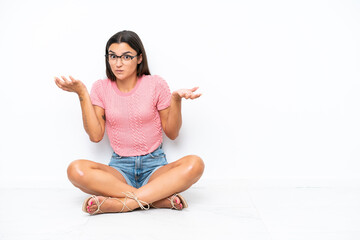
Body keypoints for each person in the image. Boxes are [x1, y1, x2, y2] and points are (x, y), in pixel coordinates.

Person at [54, 30, 205, 215]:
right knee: (76, 170)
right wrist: (82, 93)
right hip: (119, 170)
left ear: (139, 58)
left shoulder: (156, 84)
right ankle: (156, 200)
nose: (118, 63)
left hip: (155, 167)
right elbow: (95, 136)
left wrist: (176, 100)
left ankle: (121, 204)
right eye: (113, 56)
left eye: (126, 57)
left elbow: (172, 134)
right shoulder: (101, 88)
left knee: (195, 164)